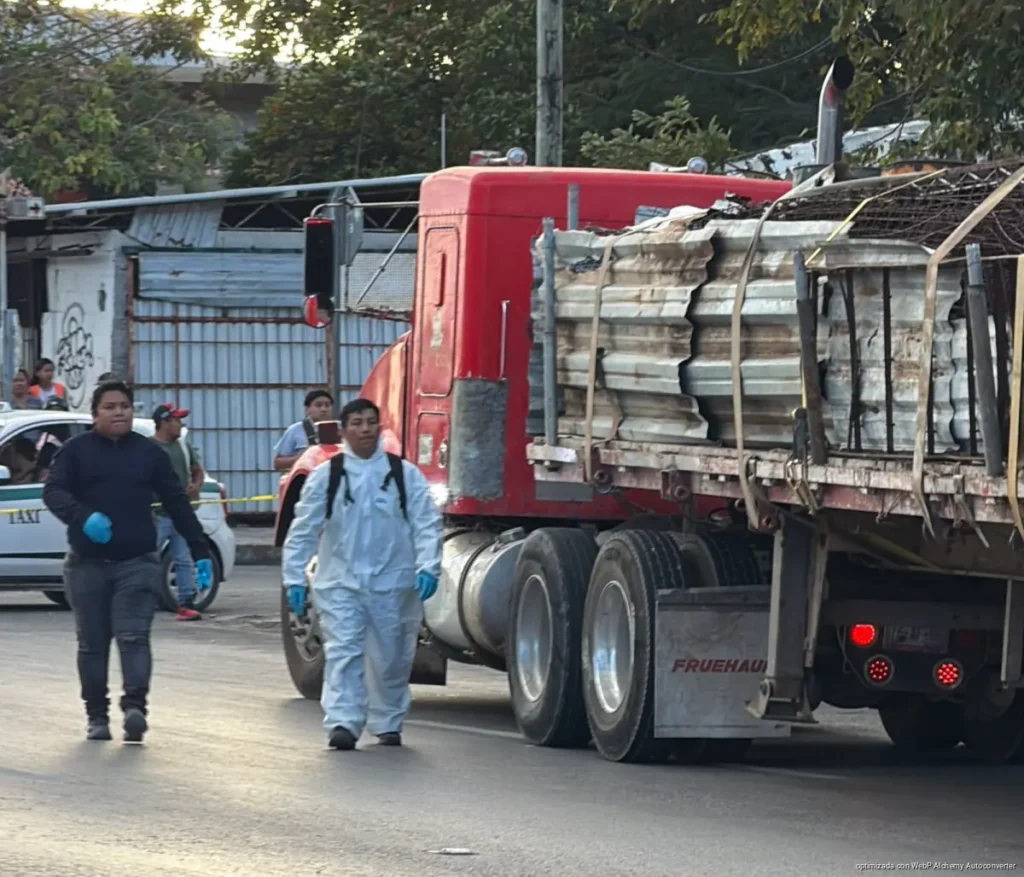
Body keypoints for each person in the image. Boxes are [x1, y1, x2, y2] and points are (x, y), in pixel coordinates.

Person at [42, 379, 214, 743]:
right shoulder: (76, 451)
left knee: (134, 637)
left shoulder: (148, 453)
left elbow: (176, 500)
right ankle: (97, 716)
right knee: (92, 643)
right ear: (95, 414)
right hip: (87, 563)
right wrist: (82, 515)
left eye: (124, 405)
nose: (118, 411)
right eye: (110, 406)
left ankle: (135, 707)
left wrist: (199, 548)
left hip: (137, 561)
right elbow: (53, 491)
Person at [282, 397, 442, 750]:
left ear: (380, 426)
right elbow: (304, 528)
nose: (365, 429)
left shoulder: (404, 475)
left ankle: (387, 721)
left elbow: (427, 523)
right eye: (357, 423)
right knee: (344, 651)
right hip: (341, 583)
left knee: (392, 656)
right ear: (344, 430)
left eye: (371, 422)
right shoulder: (328, 476)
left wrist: (428, 565)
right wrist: (294, 576)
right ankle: (343, 721)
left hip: (394, 584)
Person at [151, 403, 208, 621]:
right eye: (176, 420)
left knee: (183, 559)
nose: (180, 424)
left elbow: (197, 471)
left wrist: (196, 485)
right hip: (159, 515)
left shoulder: (183, 446)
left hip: (182, 515)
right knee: (146, 556)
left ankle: (186, 602)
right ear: (164, 423)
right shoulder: (150, 448)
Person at [272, 389, 334, 471]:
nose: (324, 409)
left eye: (327, 405)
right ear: (307, 409)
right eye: (318, 405)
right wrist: (301, 458)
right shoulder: (295, 430)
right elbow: (277, 463)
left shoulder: (340, 429)